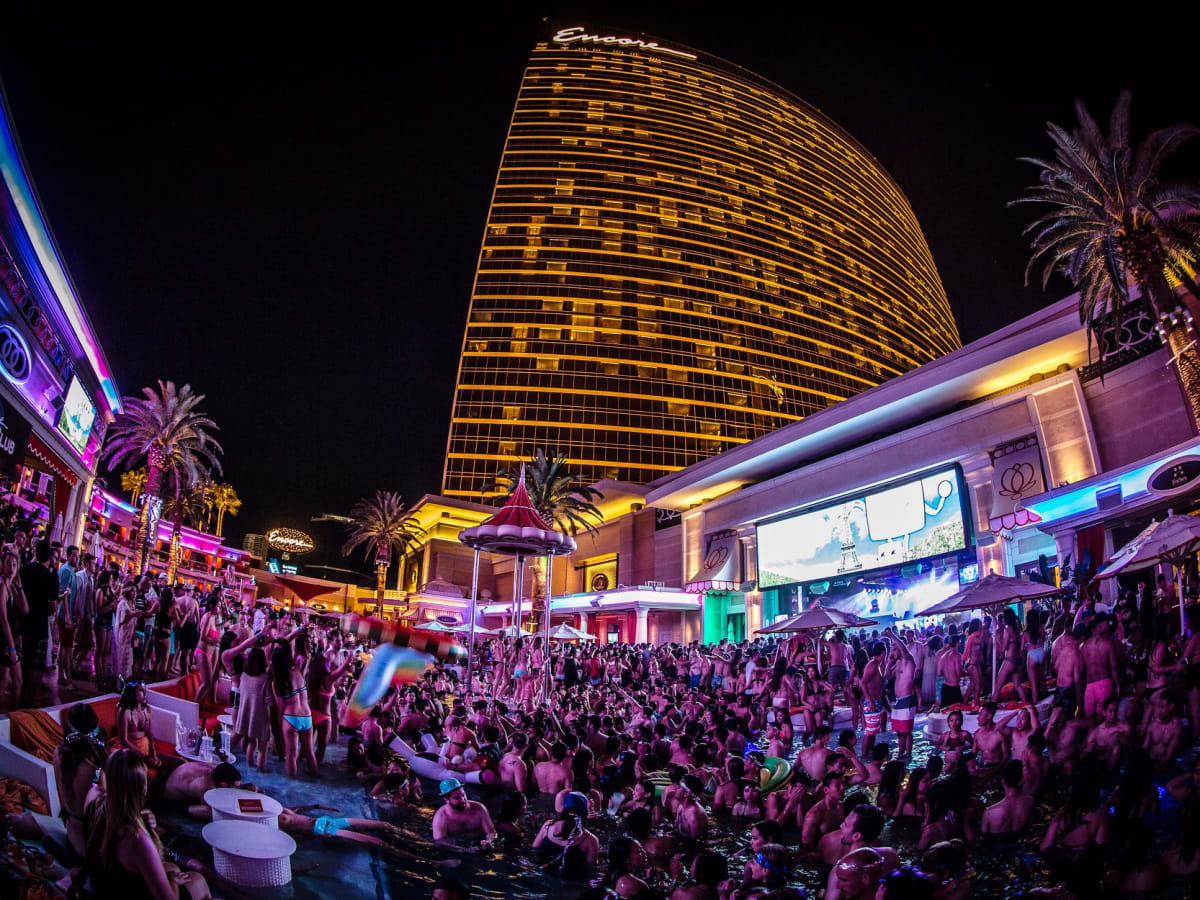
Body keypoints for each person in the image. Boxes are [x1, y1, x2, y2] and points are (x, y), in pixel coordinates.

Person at [85, 749, 212, 900]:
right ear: (144, 788)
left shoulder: (93, 800)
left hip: (107, 885)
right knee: (197, 880)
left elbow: (96, 778)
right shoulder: (137, 839)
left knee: (172, 867)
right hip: (124, 894)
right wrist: (173, 880)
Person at [18, 539, 60, 707]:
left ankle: (22, 695)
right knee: (36, 663)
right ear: (49, 557)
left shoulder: (25, 570)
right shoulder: (49, 577)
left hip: (24, 620)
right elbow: (53, 605)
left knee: (25, 659)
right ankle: (31, 698)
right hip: (40, 623)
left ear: (35, 553)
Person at [272, 639, 319, 777]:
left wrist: (279, 726)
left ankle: (291, 782)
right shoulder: (298, 673)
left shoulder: (277, 682)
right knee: (309, 752)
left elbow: (281, 707)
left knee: (291, 755)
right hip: (306, 716)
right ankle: (315, 777)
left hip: (291, 717)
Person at [432, 778, 497, 852]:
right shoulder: (441, 818)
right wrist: (464, 850)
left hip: (476, 842)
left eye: (463, 795)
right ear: (446, 799)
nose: (463, 800)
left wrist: (489, 841)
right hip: (456, 849)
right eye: (457, 798)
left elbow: (491, 832)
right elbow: (440, 843)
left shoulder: (479, 809)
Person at [982, 760, 1034, 836]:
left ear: (1003, 781)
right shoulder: (1030, 801)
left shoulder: (990, 812)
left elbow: (984, 837)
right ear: (1021, 781)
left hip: (998, 845)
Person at [117, 680, 161, 767]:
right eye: (141, 690)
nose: (145, 693)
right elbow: (124, 740)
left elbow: (149, 735)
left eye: (145, 690)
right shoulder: (124, 712)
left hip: (145, 748)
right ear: (132, 694)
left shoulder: (147, 710)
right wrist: (144, 758)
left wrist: (154, 755)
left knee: (180, 762)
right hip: (129, 752)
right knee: (144, 770)